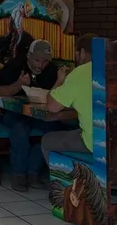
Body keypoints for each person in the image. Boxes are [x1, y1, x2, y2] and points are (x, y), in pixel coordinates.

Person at [0, 39, 64, 191]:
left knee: (55, 130)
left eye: (45, 62)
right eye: (37, 60)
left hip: (37, 114)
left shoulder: (52, 70)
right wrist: (18, 84)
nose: (40, 65)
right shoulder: (14, 66)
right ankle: (19, 175)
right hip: (9, 112)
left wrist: (59, 82)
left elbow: (55, 97)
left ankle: (33, 172)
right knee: (21, 130)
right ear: (29, 56)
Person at [41, 34, 96, 163]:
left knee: (47, 140)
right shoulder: (113, 68)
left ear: (82, 53)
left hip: (93, 141)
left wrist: (59, 81)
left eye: (76, 54)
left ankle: (64, 175)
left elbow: (52, 107)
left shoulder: (80, 72)